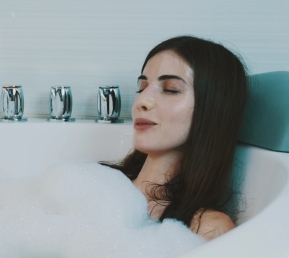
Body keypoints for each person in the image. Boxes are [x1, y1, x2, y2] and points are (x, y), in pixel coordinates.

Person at [102, 36, 248, 241]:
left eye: (170, 89)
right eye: (142, 87)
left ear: (211, 110)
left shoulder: (205, 228)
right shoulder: (95, 184)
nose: (142, 101)